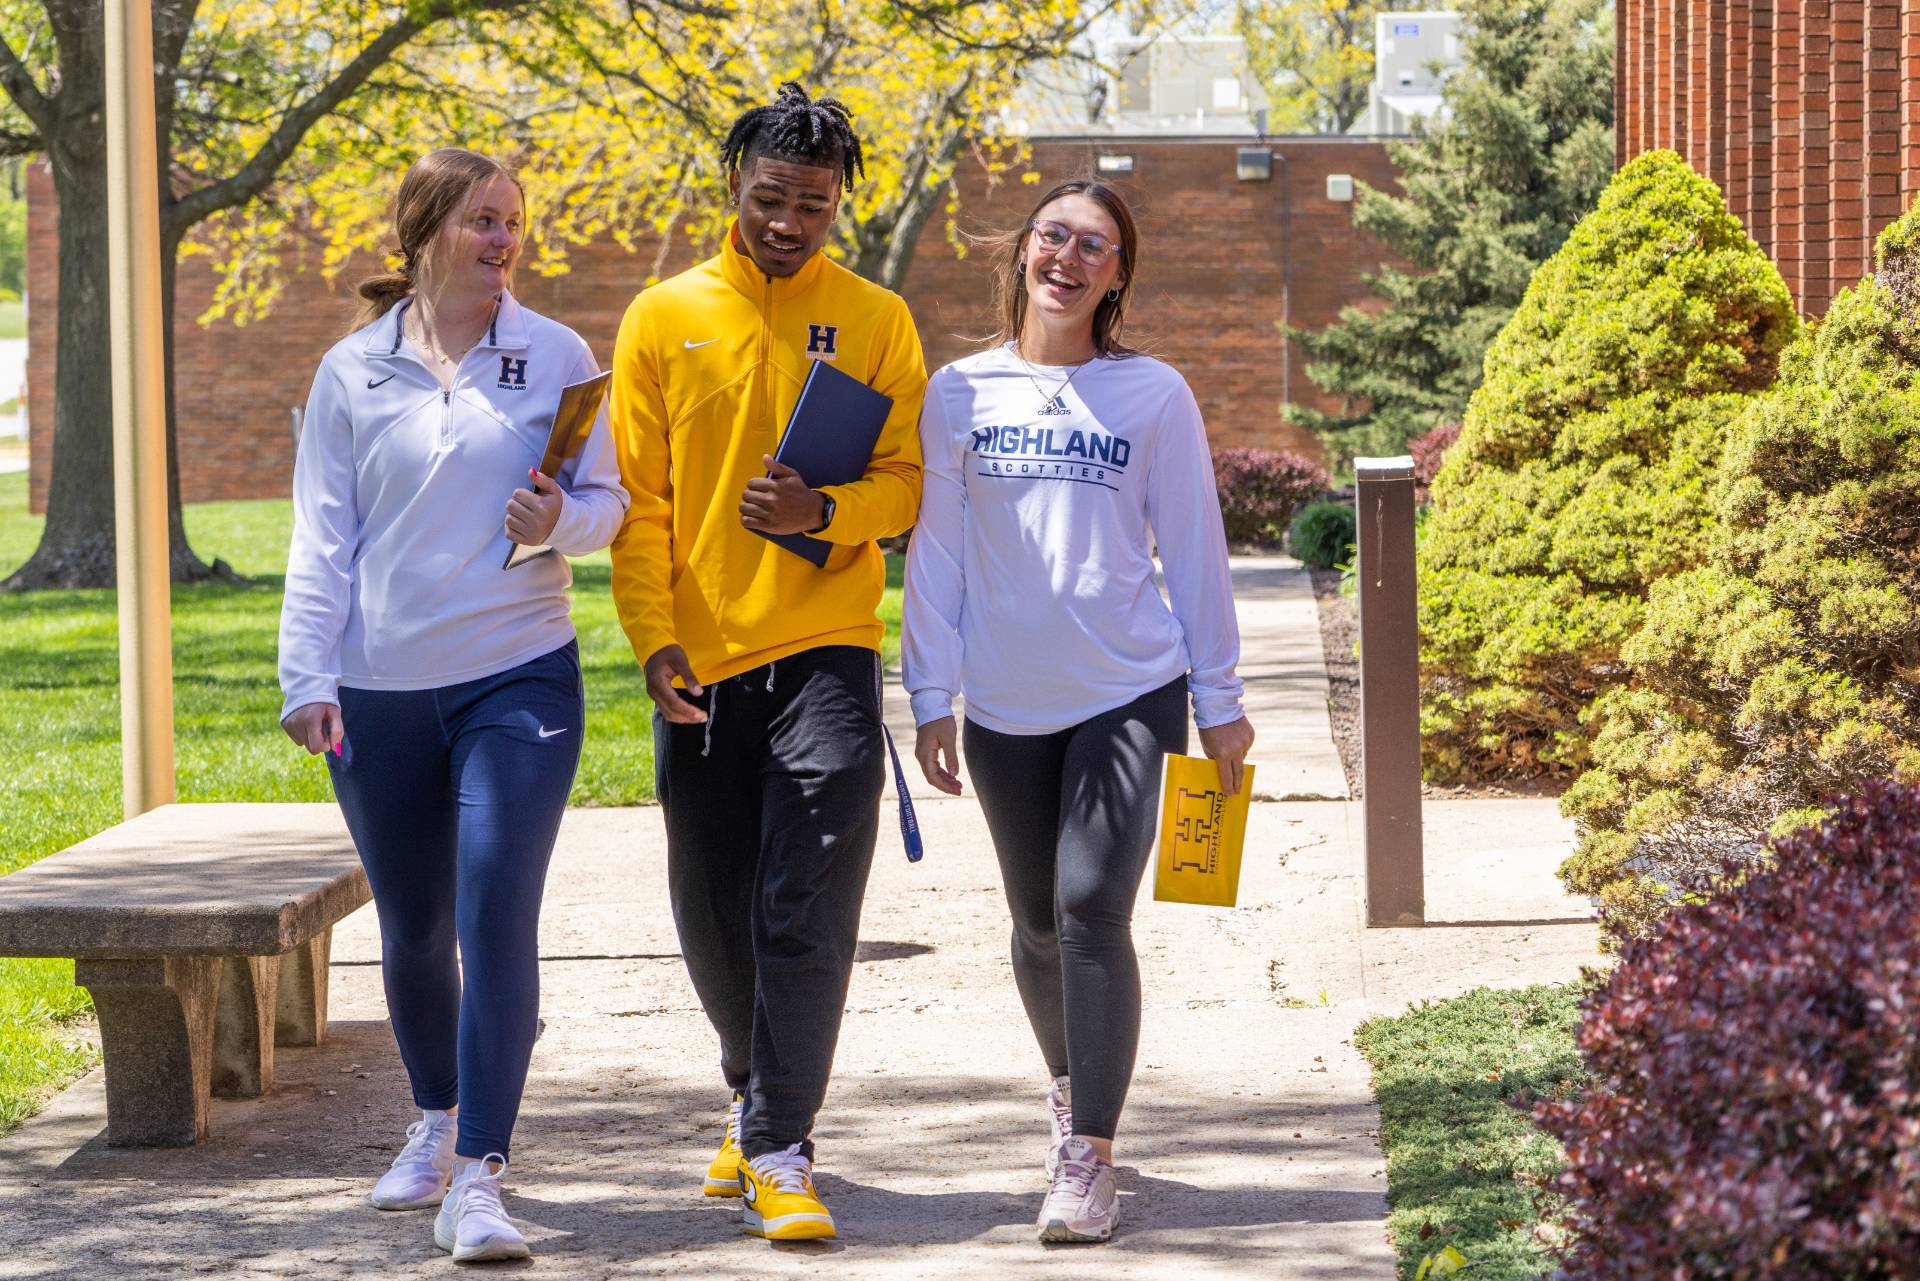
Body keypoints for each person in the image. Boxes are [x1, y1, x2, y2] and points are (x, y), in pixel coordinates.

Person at [277, 147, 628, 1263]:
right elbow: (322, 537)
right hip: (379, 686)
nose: (503, 239)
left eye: (513, 220)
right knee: (416, 923)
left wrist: (560, 524)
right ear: (425, 229)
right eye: (482, 219)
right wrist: (307, 678)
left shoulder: (555, 354)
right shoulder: (353, 370)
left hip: (518, 670)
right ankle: (434, 1119)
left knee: (494, 908)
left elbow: (609, 502)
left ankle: (480, 1172)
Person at [901, 178, 1255, 1245]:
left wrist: (1219, 699)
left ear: (1117, 277)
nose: (1068, 256)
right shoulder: (959, 392)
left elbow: (1194, 549)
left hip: (1127, 691)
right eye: (1054, 235)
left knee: (1091, 905)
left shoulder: (1152, 394)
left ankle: (1088, 1156)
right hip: (1006, 702)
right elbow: (937, 552)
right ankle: (1070, 1091)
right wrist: (930, 692)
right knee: (1035, 923)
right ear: (1023, 250)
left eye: (1093, 246)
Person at [606, 83, 926, 1241]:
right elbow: (639, 504)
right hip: (701, 659)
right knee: (710, 907)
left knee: (810, 898)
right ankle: (752, 1098)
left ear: (839, 206)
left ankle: (783, 1143)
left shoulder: (877, 318)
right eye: (772, 198)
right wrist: (654, 639)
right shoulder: (660, 317)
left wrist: (824, 510)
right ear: (735, 186)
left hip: (829, 650)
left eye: (814, 206)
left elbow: (907, 483)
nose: (790, 223)